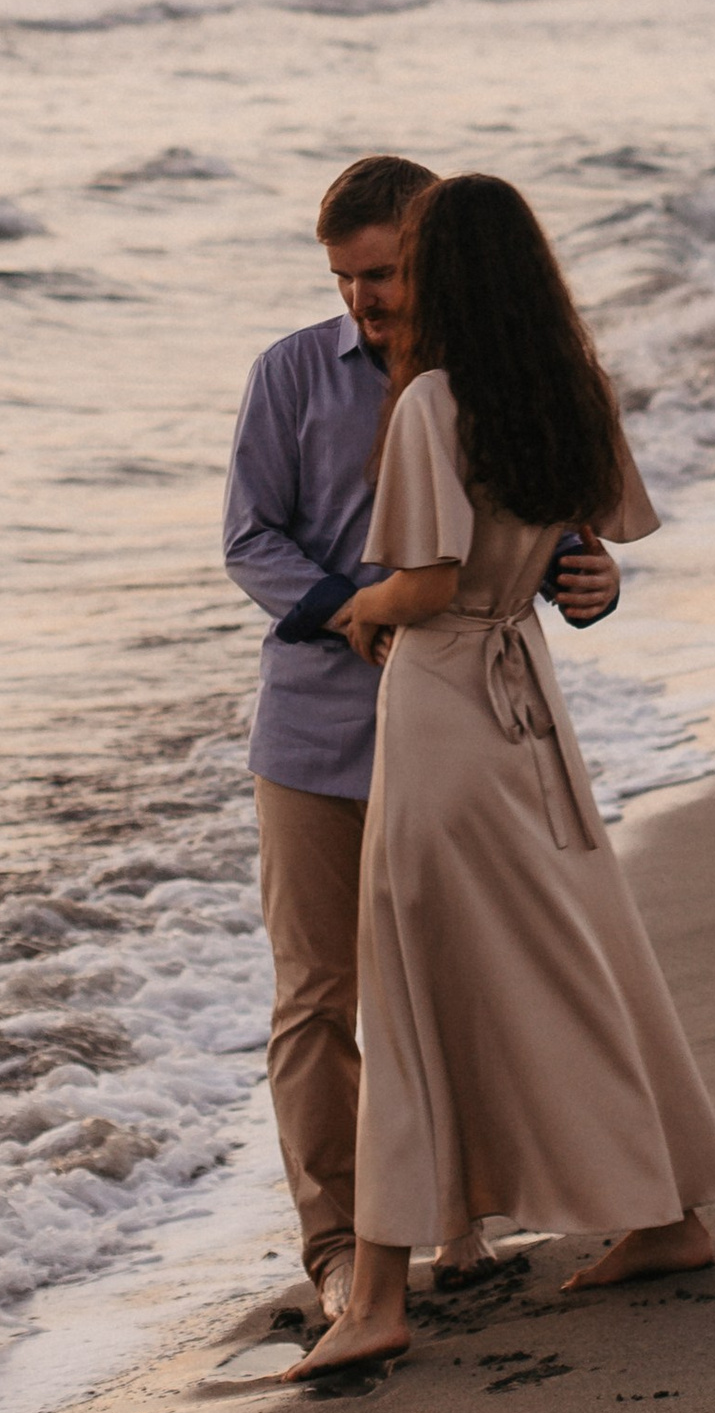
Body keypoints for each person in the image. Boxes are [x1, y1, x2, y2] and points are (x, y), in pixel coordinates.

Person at [286, 173, 715, 1384]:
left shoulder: (433, 402)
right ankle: (659, 1212)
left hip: (443, 700)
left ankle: (380, 1294)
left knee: (412, 980)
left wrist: (360, 608)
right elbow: (588, 542)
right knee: (573, 951)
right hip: (529, 705)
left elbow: (428, 585)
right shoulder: (568, 386)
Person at [223, 155, 621, 1318]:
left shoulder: (495, 379)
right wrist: (359, 606)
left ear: (434, 252)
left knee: (458, 980)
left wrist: (588, 581)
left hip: (464, 734)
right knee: (317, 996)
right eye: (345, 279)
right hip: (315, 734)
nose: (364, 300)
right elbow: (249, 538)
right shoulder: (292, 374)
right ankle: (343, 1244)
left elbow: (549, 542)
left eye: (384, 273)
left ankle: (456, 1219)